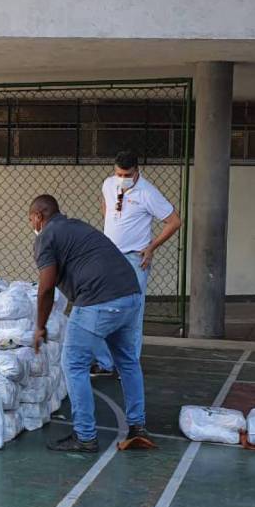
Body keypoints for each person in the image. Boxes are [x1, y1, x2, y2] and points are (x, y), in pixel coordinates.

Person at [29, 194, 150, 452]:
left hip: (98, 300)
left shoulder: (46, 237)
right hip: (130, 294)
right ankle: (137, 426)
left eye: (31, 219)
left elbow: (46, 288)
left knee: (73, 363)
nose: (32, 224)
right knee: (128, 361)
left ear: (38, 216)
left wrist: (40, 326)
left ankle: (85, 436)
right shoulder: (76, 226)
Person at [91, 151, 182, 373]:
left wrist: (151, 247)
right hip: (110, 256)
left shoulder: (147, 192)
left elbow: (174, 221)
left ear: (137, 171)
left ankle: (127, 365)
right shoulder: (108, 184)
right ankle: (106, 362)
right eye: (119, 174)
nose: (122, 178)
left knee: (132, 312)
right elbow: (105, 206)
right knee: (103, 308)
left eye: (127, 174)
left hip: (135, 259)